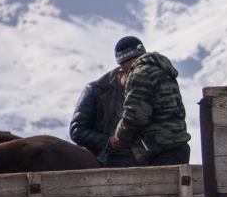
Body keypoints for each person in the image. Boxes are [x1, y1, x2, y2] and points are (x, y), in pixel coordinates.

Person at [108, 36, 192, 166]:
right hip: (177, 146)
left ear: (122, 62)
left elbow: (135, 115)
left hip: (159, 150)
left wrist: (118, 138)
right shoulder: (160, 69)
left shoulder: (140, 74)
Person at [69, 66, 139, 168]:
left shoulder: (145, 90)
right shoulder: (94, 90)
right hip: (103, 158)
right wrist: (108, 141)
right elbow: (77, 130)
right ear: (121, 74)